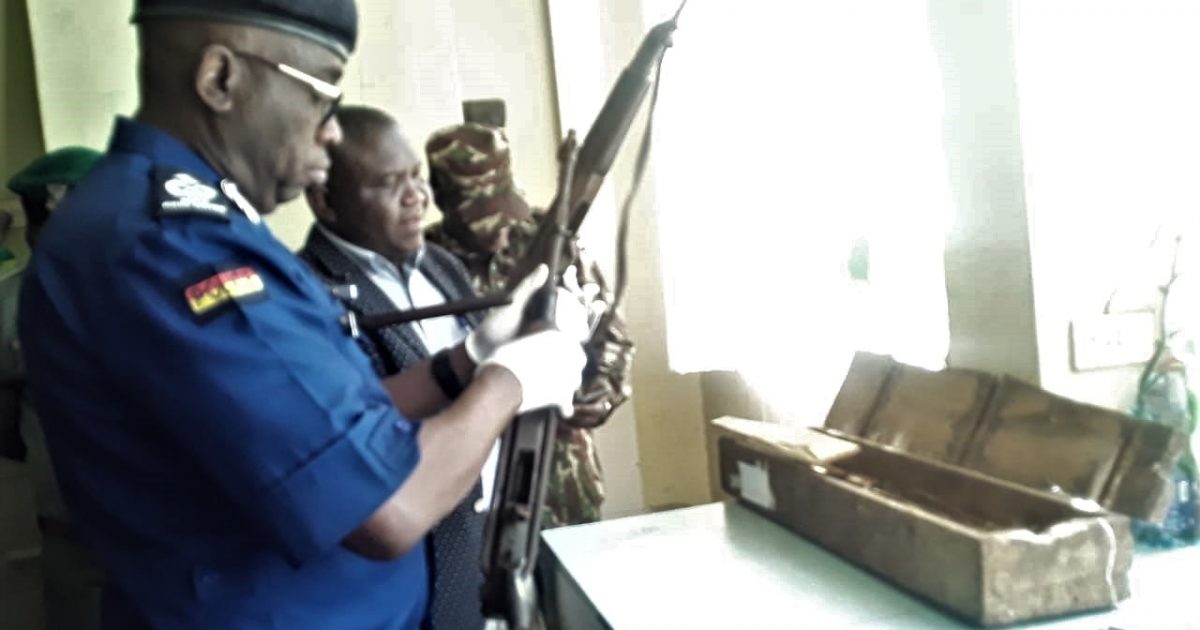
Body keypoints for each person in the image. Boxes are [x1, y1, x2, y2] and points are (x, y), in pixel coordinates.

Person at [16, 1, 587, 627]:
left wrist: (465, 364)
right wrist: (513, 380)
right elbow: (388, 509)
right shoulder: (175, 249)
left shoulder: (179, 226)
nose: (332, 132)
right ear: (220, 79)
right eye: (321, 95)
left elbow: (323, 427)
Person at [299, 105, 488, 629]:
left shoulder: (443, 267)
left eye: (416, 176)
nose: (417, 196)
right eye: (388, 184)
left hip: (474, 539)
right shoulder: (307, 291)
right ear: (325, 200)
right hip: (393, 566)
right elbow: (360, 423)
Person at [425, 113, 635, 527]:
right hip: (475, 482)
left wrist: (598, 395)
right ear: (444, 202)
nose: (499, 233)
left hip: (564, 476)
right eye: (480, 219)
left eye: (503, 215)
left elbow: (612, 336)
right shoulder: (425, 261)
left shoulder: (551, 240)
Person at [2, 146, 105, 630]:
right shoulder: (9, 304)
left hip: (171, 540)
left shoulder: (162, 287)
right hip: (73, 543)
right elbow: (6, 427)